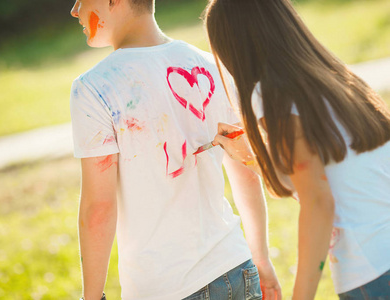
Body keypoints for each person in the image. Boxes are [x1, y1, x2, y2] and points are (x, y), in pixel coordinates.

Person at [68, 0, 282, 299]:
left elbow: (98, 208)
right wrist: (261, 259)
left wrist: (91, 297)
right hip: (236, 268)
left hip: (165, 287)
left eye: (81, 0)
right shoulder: (210, 65)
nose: (75, 10)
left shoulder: (93, 88)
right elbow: (246, 171)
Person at [204, 0, 390, 299]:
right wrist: (253, 157)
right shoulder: (336, 77)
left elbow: (318, 200)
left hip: (372, 270)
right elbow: (323, 172)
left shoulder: (269, 93)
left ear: (234, 47)